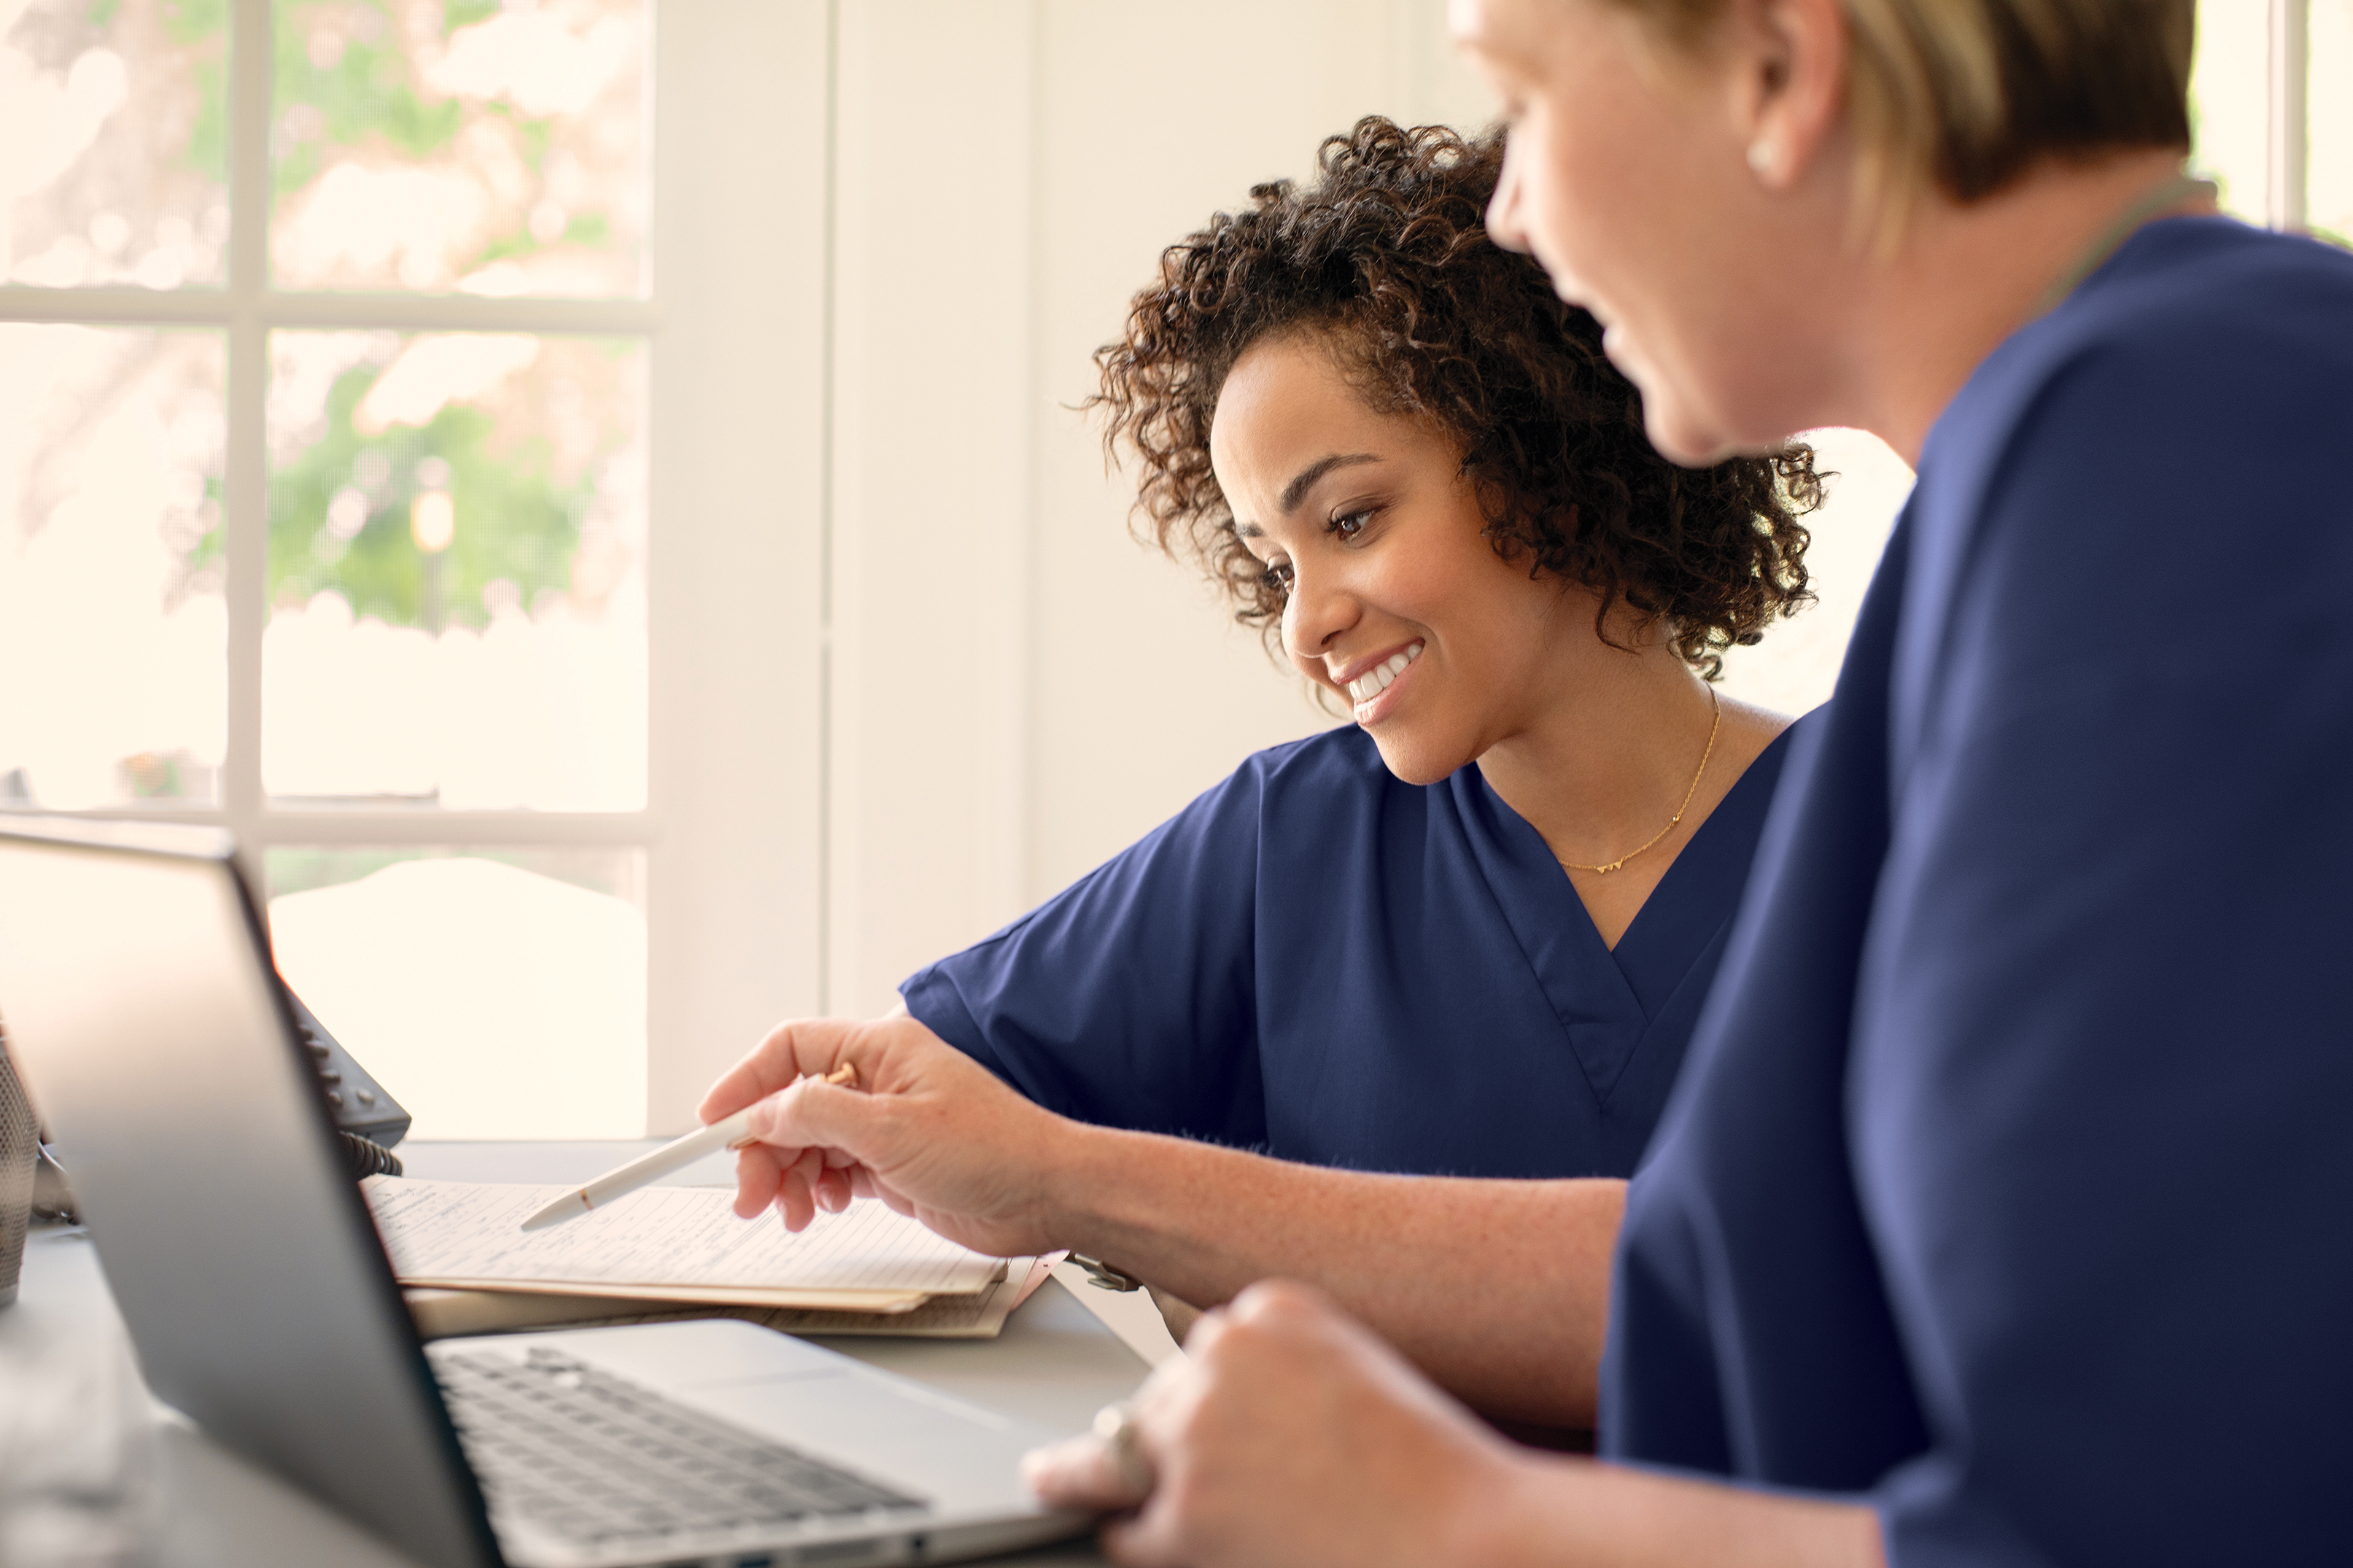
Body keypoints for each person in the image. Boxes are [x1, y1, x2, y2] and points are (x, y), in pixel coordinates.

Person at [716, 0, 2353, 1562]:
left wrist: (1449, 1526)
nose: (1507, 219)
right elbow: (1715, 1288)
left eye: (1530, 100)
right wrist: (1075, 1181)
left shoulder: (2178, 440)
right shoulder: (2059, 470)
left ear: (1780, 66)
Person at [699, 120, 1824, 1428]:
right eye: (1274, 559)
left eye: (1349, 519)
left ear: (1552, 459)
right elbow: (956, 1102)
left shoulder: (1887, 834)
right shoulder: (1288, 839)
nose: (1305, 624)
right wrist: (858, 1101)